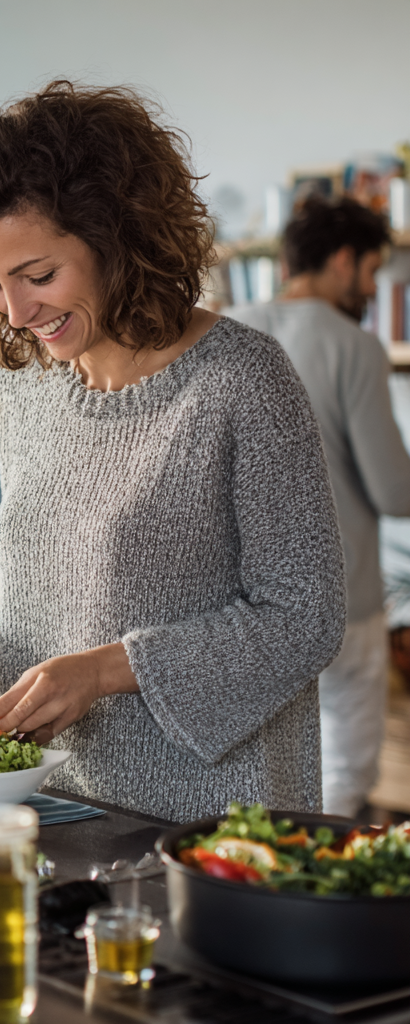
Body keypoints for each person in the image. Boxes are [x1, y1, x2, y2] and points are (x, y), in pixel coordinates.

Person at [0, 81, 346, 822]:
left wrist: (109, 669)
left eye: (39, 276)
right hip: (48, 805)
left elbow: (304, 616)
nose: (16, 312)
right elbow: (49, 578)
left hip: (208, 824)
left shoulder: (242, 381)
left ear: (118, 237)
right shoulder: (28, 385)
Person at [228, 197, 410, 818]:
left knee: (262, 764)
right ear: (341, 260)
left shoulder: (224, 329)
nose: (370, 289)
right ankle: (326, 894)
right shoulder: (353, 347)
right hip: (339, 596)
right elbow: (394, 491)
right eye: (370, 272)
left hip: (235, 601)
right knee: (343, 769)